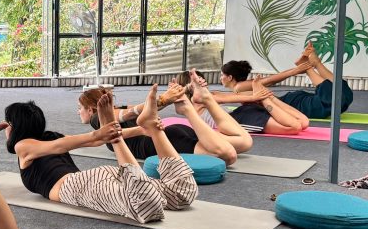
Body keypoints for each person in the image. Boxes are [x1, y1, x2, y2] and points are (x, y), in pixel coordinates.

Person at [5, 85, 198, 224]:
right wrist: (105, 132)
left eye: (8, 124)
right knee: (180, 195)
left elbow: (86, 141)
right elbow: (66, 144)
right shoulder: (43, 141)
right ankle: (150, 129)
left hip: (77, 186)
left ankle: (136, 129)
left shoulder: (23, 145)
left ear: (15, 126)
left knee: (146, 206)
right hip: (98, 177)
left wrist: (136, 130)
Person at [78, 69, 253, 165]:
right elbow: (143, 109)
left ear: (91, 109)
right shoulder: (112, 115)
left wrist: (165, 99)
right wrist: (168, 98)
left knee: (228, 155)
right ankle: (205, 99)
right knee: (244, 141)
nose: (78, 112)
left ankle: (188, 107)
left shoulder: (98, 117)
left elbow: (128, 115)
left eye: (80, 108)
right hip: (173, 134)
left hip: (158, 143)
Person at [221, 41, 354, 119]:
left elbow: (270, 81)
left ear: (230, 77)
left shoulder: (238, 88)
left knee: (334, 99)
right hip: (294, 102)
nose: (221, 78)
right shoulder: (240, 89)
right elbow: (270, 81)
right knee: (344, 95)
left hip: (292, 104)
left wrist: (296, 71)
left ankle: (310, 67)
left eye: (222, 75)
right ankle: (316, 64)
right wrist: (295, 70)